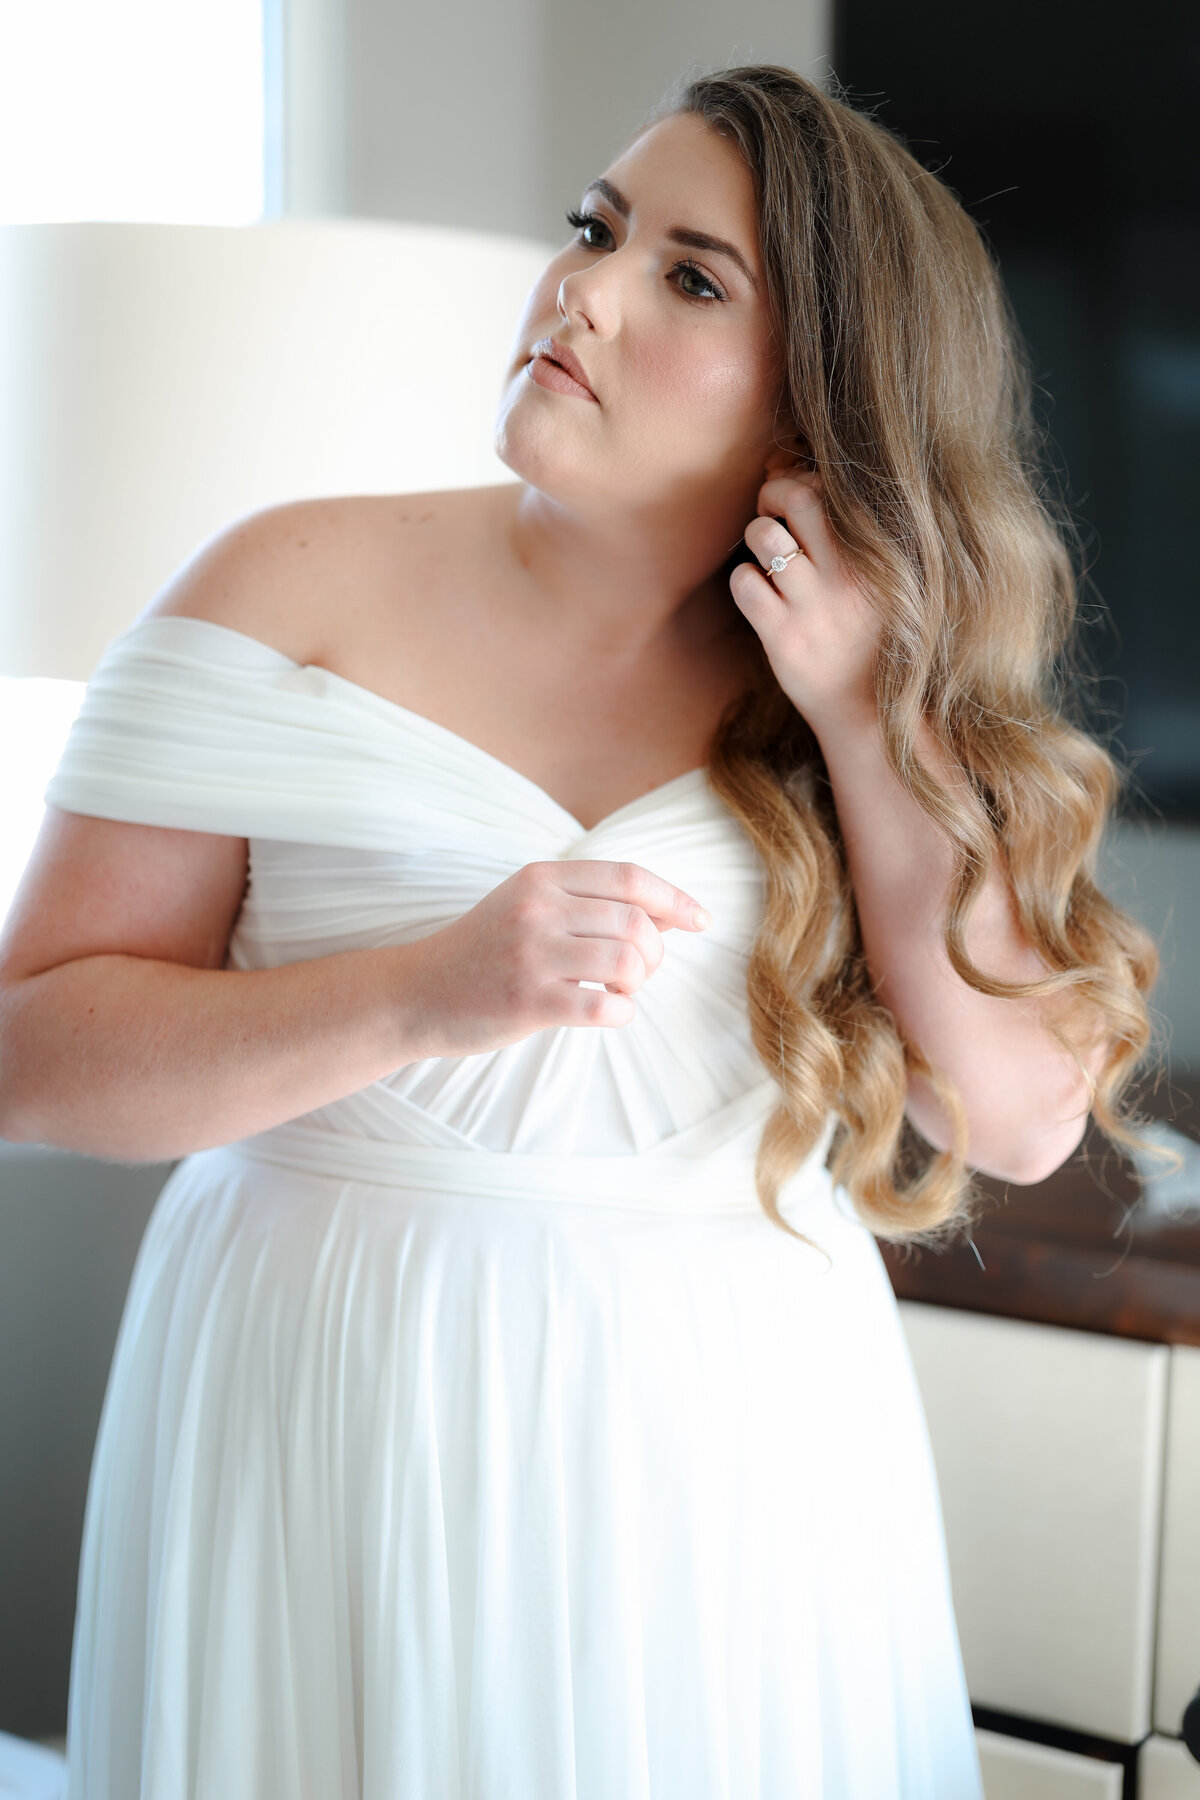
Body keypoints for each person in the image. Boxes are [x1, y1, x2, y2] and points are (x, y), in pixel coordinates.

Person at [0, 62, 1158, 1800]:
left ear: (813, 400)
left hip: (722, 1435)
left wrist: (858, 720)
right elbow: (31, 1064)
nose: (581, 292)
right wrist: (420, 994)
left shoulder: (885, 695)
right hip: (318, 1392)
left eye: (691, 278)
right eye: (598, 231)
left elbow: (1013, 1116)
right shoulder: (280, 584)